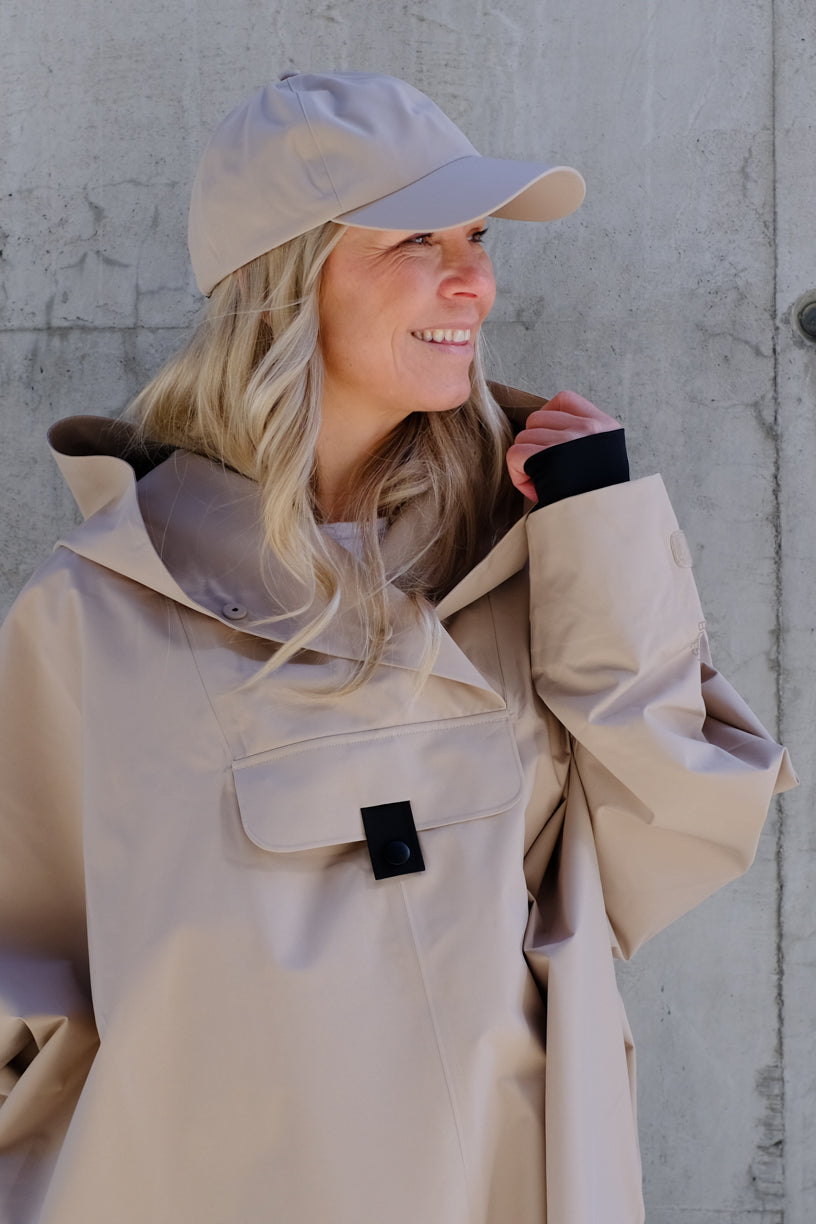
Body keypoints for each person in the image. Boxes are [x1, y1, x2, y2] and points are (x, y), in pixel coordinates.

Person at [0, 70, 796, 1224]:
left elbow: (679, 824)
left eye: (477, 236)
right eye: (419, 238)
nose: (474, 280)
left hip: (504, 1184)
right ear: (278, 282)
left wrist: (602, 534)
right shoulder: (105, 606)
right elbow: (22, 978)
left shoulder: (532, 549)